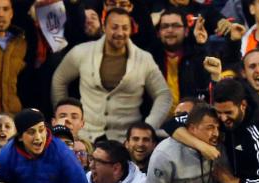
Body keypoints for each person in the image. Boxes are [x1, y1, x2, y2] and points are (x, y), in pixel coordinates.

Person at [51, 8, 172, 141]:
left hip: (125, 141)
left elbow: (164, 94)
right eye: (114, 27)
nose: (120, 33)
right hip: (85, 137)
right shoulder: (82, 52)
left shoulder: (144, 59)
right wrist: (65, 119)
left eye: (125, 28)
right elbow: (59, 80)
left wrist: (148, 126)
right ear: (104, 27)